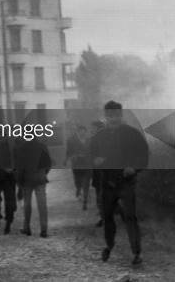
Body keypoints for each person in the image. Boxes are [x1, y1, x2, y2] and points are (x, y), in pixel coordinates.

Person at [91, 101, 148, 266]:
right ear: (105, 116)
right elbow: (91, 157)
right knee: (108, 217)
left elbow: (144, 157)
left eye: (116, 115)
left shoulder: (133, 134)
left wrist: (134, 167)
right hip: (107, 184)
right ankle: (109, 246)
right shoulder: (98, 137)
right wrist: (95, 161)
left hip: (126, 183)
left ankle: (137, 253)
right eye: (109, 116)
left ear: (121, 116)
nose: (113, 119)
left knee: (130, 217)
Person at [16, 136, 51, 238]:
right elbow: (49, 163)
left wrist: (19, 181)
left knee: (27, 205)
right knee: (42, 205)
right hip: (40, 179)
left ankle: (27, 228)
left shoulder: (21, 148)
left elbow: (20, 167)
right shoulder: (42, 147)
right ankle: (43, 230)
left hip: (27, 180)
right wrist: (44, 173)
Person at [65, 125, 92, 210]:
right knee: (78, 181)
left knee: (86, 182)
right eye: (80, 131)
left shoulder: (89, 140)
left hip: (87, 165)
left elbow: (93, 151)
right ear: (77, 131)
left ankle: (85, 200)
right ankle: (78, 189)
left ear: (85, 132)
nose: (82, 132)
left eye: (83, 131)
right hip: (77, 164)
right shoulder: (71, 141)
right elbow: (68, 152)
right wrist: (67, 159)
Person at [89, 120, 106, 226]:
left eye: (92, 128)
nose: (91, 130)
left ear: (96, 128)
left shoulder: (95, 139)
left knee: (100, 195)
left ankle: (104, 218)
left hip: (100, 171)